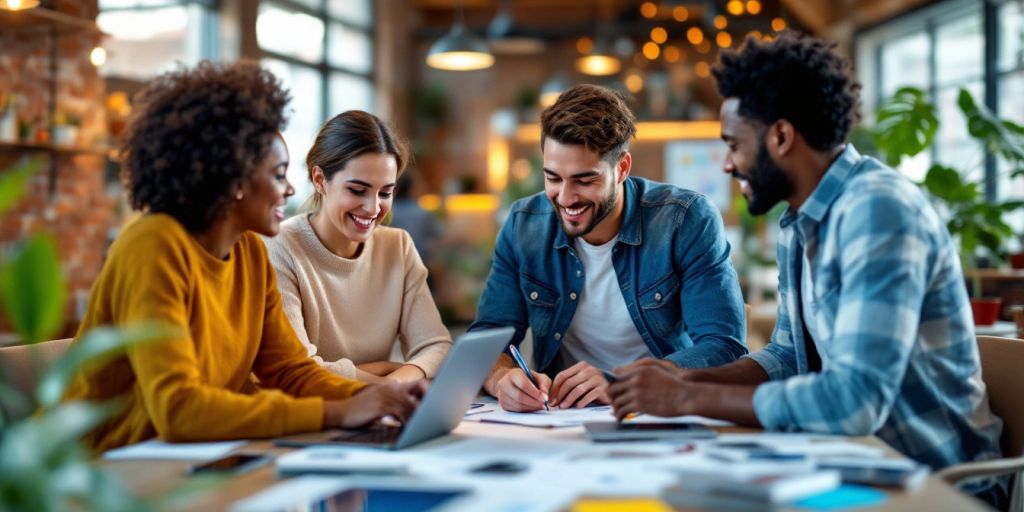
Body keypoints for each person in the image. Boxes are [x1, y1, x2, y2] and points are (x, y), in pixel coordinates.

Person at [607, 33, 1006, 506]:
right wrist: (682, 379)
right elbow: (785, 356)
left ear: (780, 136)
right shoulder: (799, 222)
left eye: (734, 144)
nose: (729, 165)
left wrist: (686, 400)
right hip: (847, 461)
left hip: (930, 481)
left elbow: (855, 400)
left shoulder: (878, 210)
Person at [63, 62, 426, 452]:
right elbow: (178, 410)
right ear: (234, 179)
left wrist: (377, 399)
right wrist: (338, 412)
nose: (290, 190)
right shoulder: (153, 245)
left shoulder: (250, 250)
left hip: (192, 459)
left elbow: (290, 372)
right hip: (95, 473)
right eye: (278, 174)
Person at [471, 84, 747, 412]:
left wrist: (620, 382)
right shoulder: (523, 225)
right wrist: (502, 377)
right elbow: (485, 342)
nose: (566, 197)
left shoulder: (685, 220)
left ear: (622, 168)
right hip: (559, 417)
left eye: (584, 180)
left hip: (656, 411)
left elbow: (724, 347)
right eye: (553, 178)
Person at [264, 111, 451, 384]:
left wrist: (395, 382)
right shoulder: (280, 247)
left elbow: (437, 346)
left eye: (385, 193)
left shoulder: (397, 246)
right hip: (313, 418)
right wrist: (383, 381)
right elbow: (299, 368)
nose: (374, 208)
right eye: (357, 190)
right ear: (319, 180)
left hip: (376, 413)